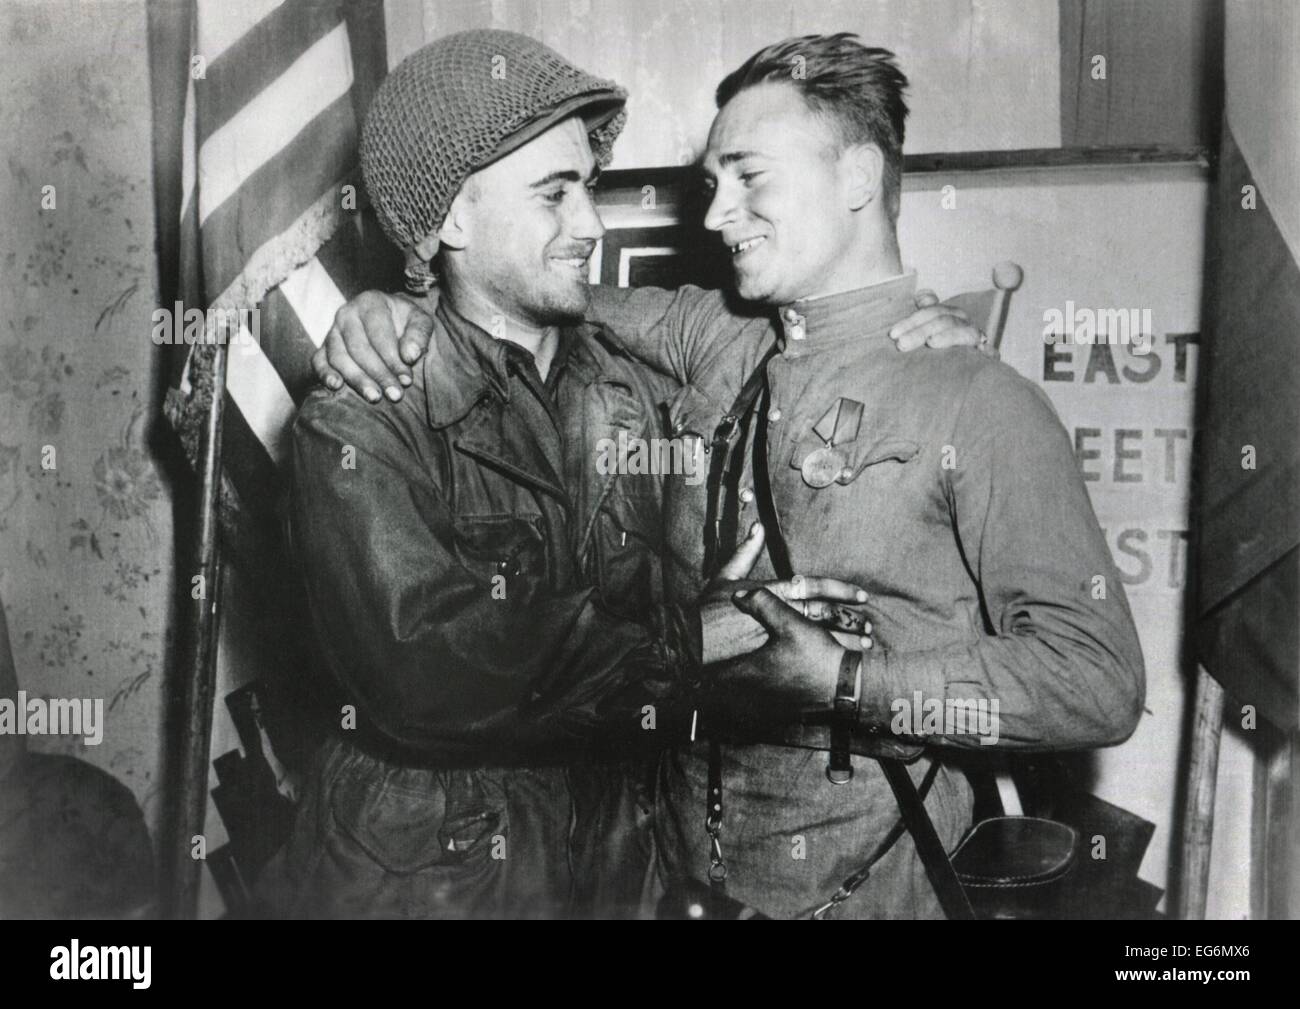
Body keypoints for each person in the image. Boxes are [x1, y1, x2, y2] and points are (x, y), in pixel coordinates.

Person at [322, 33, 1145, 919]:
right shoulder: (718, 339)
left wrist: (848, 681)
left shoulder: (976, 398)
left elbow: (1096, 680)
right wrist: (396, 305)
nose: (716, 217)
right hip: (667, 874)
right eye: (714, 184)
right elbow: (525, 291)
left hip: (867, 882)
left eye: (750, 177)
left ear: (860, 179)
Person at [261, 29, 918, 921]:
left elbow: (828, 332)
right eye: (554, 195)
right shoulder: (363, 413)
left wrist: (930, 336)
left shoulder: (638, 384)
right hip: (430, 884)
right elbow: (422, 666)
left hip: (615, 866)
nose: (591, 225)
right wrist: (688, 636)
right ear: (452, 220)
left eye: (590, 190)